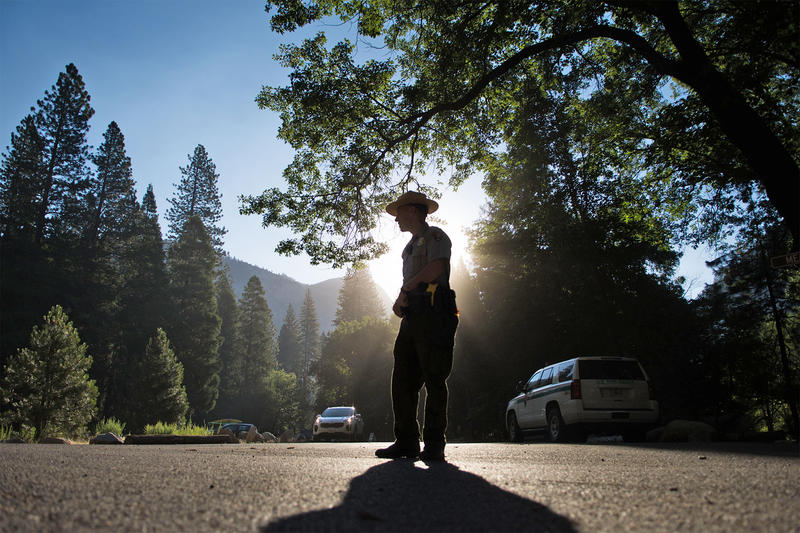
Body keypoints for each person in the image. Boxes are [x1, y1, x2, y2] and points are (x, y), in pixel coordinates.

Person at [376, 191, 459, 461]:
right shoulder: (409, 248)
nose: (396, 219)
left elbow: (436, 268)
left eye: (398, 213)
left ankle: (435, 443)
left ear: (412, 210)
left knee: (434, 376)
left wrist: (407, 288)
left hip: (435, 312)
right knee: (402, 378)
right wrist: (401, 302)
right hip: (414, 315)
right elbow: (413, 280)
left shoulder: (436, 236)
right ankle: (407, 441)